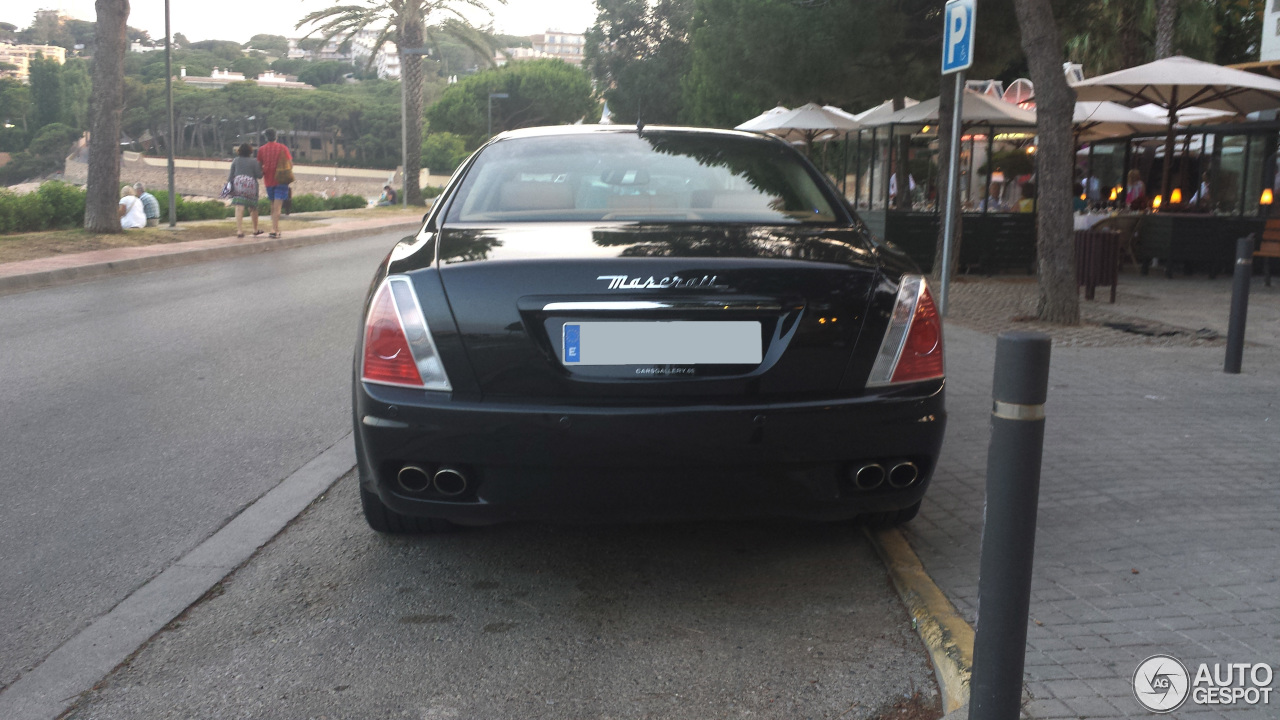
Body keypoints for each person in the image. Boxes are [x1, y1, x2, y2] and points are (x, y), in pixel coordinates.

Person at [255, 128, 293, 238]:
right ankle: (274, 229)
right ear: (276, 136)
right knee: (278, 207)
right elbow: (290, 164)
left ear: (266, 137)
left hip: (269, 181)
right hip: (281, 180)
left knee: (273, 206)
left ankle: (274, 228)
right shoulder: (283, 148)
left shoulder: (261, 150)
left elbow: (259, 166)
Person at [227, 143, 263, 238]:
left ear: (239, 151)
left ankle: (239, 231)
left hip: (239, 184)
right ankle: (255, 229)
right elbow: (259, 175)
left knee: (239, 207)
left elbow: (231, 176)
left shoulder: (236, 161)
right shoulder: (254, 161)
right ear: (250, 152)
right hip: (251, 185)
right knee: (253, 207)